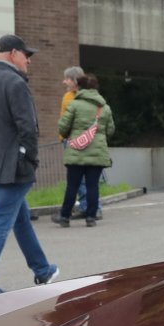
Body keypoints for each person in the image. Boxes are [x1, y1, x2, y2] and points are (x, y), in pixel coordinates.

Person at [0, 33, 58, 297]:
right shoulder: (15, 83)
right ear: (13, 53)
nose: (29, 61)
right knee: (1, 219)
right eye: (26, 55)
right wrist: (30, 160)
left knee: (20, 218)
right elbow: (28, 128)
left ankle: (43, 270)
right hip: (14, 167)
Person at [58, 73, 115, 228]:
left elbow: (63, 128)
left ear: (79, 87)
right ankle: (91, 217)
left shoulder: (74, 105)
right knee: (93, 186)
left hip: (76, 151)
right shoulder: (104, 108)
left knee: (72, 185)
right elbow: (110, 130)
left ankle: (65, 217)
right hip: (97, 153)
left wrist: (71, 134)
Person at [55, 65, 100, 225]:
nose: (64, 81)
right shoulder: (97, 100)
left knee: (75, 181)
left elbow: (65, 123)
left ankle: (68, 214)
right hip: (93, 142)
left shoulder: (71, 99)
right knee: (91, 181)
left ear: (75, 80)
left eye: (67, 79)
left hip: (73, 141)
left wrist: (64, 135)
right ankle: (92, 211)